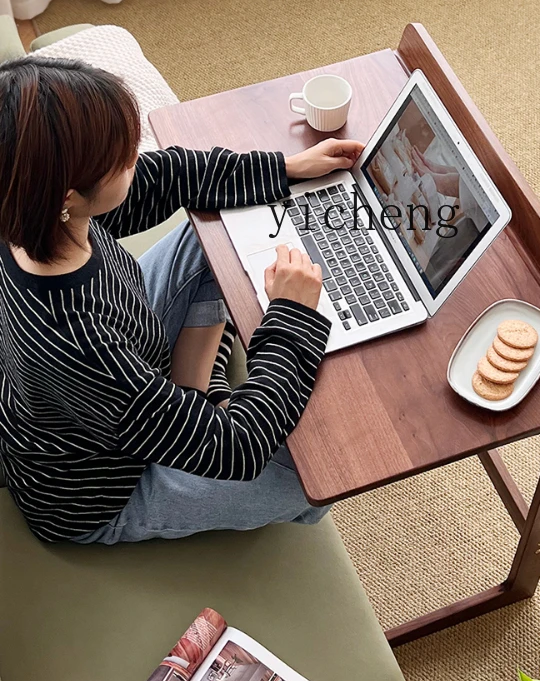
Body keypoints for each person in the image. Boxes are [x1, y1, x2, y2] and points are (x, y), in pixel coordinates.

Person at [0, 55, 364, 544]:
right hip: (107, 488)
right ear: (68, 196)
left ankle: (195, 396)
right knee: (318, 475)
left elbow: (165, 176)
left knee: (210, 233)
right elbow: (240, 448)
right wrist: (293, 317)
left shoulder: (29, 213)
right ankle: (202, 399)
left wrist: (285, 169)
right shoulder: (75, 344)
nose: (135, 157)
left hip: (126, 371)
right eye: (122, 156)